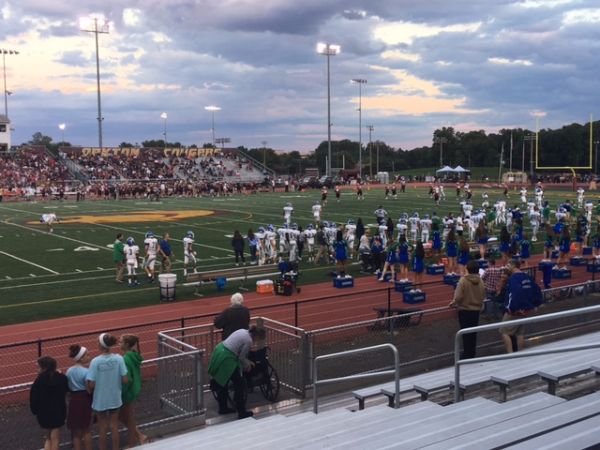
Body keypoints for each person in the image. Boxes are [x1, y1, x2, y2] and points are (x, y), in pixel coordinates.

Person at [208, 326, 266, 419]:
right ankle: (241, 411)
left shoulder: (243, 331)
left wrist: (246, 362)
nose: (257, 342)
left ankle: (223, 408)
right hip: (227, 358)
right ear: (257, 336)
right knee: (240, 384)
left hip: (220, 351)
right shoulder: (248, 341)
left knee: (223, 383)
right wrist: (248, 364)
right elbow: (241, 358)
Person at [86, 333, 128, 450]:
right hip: (115, 397)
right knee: (114, 426)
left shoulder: (95, 362)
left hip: (100, 399)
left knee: (102, 428)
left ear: (100, 345)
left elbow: (92, 384)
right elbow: (125, 379)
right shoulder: (119, 358)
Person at [499, 261, 543, 353]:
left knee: (504, 332)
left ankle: (511, 355)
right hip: (525, 309)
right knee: (520, 333)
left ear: (513, 266)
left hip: (514, 311)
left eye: (507, 265)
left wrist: (510, 308)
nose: (506, 267)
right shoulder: (527, 277)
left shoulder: (514, 279)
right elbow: (536, 290)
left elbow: (514, 294)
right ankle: (520, 353)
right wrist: (535, 304)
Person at [30, 356, 69, 450]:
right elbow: (66, 389)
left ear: (44, 368)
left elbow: (33, 398)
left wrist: (35, 411)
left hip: (43, 414)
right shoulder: (61, 378)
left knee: (48, 438)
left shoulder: (38, 381)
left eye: (38, 367)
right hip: (58, 412)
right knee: (55, 438)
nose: (36, 370)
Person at [449, 260, 486, 359]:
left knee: (465, 333)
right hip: (476, 310)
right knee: (473, 333)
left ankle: (466, 353)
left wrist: (453, 303)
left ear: (467, 269)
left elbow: (458, 296)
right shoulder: (481, 281)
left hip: (465, 310)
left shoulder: (463, 280)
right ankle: (471, 352)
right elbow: (483, 295)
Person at [119, 335, 147, 448]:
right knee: (124, 417)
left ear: (126, 344)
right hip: (133, 388)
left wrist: (122, 391)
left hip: (127, 391)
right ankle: (139, 436)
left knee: (127, 418)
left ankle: (134, 442)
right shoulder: (133, 356)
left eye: (121, 342)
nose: (119, 344)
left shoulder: (125, 359)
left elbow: (127, 378)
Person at [66, 345, 93, 450]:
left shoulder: (69, 371)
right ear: (81, 358)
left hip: (74, 399)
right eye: (87, 355)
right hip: (85, 399)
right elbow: (89, 388)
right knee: (87, 430)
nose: (89, 356)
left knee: (76, 432)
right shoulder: (86, 372)